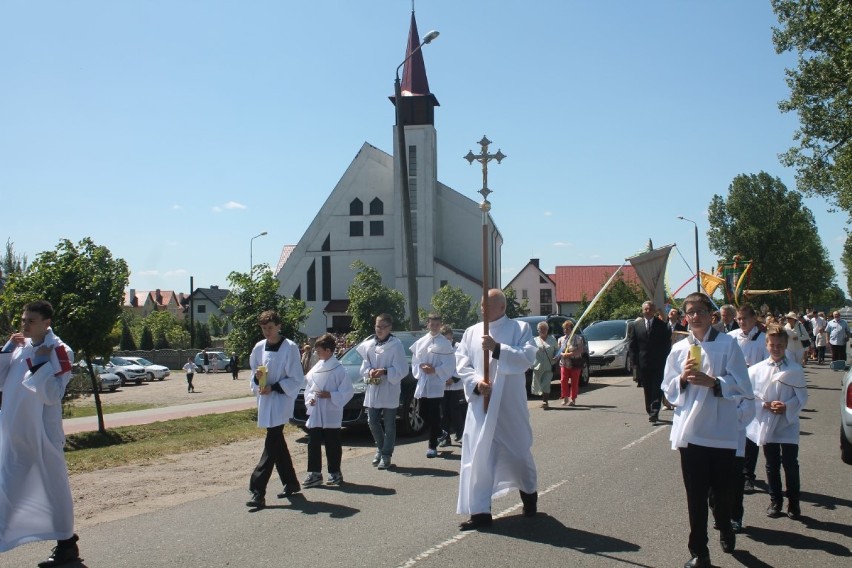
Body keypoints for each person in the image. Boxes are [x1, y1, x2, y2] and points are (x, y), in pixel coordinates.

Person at [661, 292, 753, 568]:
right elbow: (667, 390)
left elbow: (744, 386)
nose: (695, 316)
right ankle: (699, 551)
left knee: (721, 493)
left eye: (700, 310)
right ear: (685, 316)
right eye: (690, 311)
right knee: (696, 495)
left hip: (722, 431)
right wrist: (683, 379)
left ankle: (725, 525)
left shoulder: (728, 344)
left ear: (710, 314)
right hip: (691, 432)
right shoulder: (678, 349)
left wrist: (714, 382)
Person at [0, 300, 81, 567]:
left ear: (47, 323)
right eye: (23, 320)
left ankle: (67, 544)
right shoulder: (19, 348)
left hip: (41, 435)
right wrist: (7, 348)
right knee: (8, 487)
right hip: (13, 432)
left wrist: (41, 363)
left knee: (52, 489)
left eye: (30, 321)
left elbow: (52, 395)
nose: (24, 325)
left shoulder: (60, 351)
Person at [455, 289, 538, 531]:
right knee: (479, 455)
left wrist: (498, 348)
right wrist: (475, 384)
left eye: (487, 306)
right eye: (481, 305)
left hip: (509, 404)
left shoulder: (519, 329)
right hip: (481, 405)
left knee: (519, 453)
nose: (482, 309)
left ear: (501, 307)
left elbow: (527, 358)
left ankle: (529, 494)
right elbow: (462, 363)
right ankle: (480, 511)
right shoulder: (472, 332)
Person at [746, 324, 808, 520]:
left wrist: (787, 406)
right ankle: (775, 500)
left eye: (780, 345)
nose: (776, 348)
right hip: (767, 421)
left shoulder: (795, 370)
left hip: (787, 423)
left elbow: (802, 397)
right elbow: (751, 396)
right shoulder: (756, 370)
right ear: (767, 345)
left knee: (790, 463)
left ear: (786, 345)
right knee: (771, 464)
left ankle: (794, 501)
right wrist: (764, 405)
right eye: (772, 345)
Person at [246, 310, 305, 509]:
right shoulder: (259, 347)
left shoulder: (289, 347)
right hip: (265, 399)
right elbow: (254, 371)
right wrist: (257, 380)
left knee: (271, 444)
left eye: (270, 328)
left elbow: (296, 378)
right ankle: (291, 482)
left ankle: (258, 490)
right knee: (277, 443)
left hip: (280, 401)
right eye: (264, 329)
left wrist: (275, 387)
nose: (267, 332)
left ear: (279, 326)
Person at [302, 333, 354, 487]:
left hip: (331, 411)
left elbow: (347, 391)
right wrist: (310, 398)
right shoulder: (317, 367)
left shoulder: (338, 369)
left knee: (332, 442)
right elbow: (309, 388)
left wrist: (330, 395)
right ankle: (314, 473)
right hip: (317, 410)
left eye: (319, 351)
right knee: (313, 442)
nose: (317, 354)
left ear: (328, 350)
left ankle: (335, 472)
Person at [358, 313, 407, 470]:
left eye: (383, 327)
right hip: (374, 387)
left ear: (389, 328)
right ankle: (380, 448)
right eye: (377, 326)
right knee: (372, 421)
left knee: (389, 424)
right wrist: (370, 371)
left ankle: (386, 455)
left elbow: (402, 369)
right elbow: (364, 366)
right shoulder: (369, 345)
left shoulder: (396, 345)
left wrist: (385, 371)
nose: (379, 330)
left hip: (389, 388)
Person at [731, 304, 769, 500]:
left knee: (750, 436)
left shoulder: (763, 340)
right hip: (733, 393)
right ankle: (734, 471)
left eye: (745, 318)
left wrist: (751, 369)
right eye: (738, 318)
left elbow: (768, 367)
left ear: (754, 319)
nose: (741, 322)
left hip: (753, 394)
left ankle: (748, 475)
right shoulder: (731, 337)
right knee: (733, 434)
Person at [410, 314, 456, 458]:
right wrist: (421, 367)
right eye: (432, 324)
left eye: (437, 324)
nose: (435, 326)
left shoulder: (444, 343)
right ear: (427, 324)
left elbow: (450, 364)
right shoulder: (421, 342)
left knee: (434, 413)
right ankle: (440, 432)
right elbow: (415, 361)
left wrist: (435, 370)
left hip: (436, 382)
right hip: (424, 382)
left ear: (440, 325)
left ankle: (432, 446)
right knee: (423, 413)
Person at [629, 301, 672, 424]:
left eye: (650, 309)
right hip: (643, 362)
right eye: (646, 309)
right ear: (642, 311)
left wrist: (666, 359)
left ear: (654, 311)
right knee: (647, 388)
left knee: (657, 388)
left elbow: (666, 344)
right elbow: (633, 345)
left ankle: (654, 411)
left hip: (659, 362)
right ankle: (649, 409)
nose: (648, 311)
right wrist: (633, 362)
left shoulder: (661, 325)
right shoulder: (636, 326)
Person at [438, 325, 466, 446]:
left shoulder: (459, 347)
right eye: (445, 340)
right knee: (444, 411)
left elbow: (462, 364)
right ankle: (446, 437)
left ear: (451, 336)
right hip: (443, 384)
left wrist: (454, 378)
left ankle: (460, 432)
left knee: (454, 409)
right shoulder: (439, 349)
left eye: (449, 339)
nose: (447, 342)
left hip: (455, 383)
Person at [555, 320, 584, 406]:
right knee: (563, 380)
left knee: (574, 381)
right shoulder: (561, 339)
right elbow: (558, 351)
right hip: (564, 363)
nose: (565, 330)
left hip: (575, 363)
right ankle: (565, 398)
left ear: (572, 329)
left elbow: (580, 350)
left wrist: (570, 354)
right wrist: (562, 354)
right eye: (564, 328)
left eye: (567, 328)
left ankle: (573, 399)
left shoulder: (578, 338)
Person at [531, 321, 557, 409]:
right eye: (540, 329)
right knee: (538, 384)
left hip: (549, 365)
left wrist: (556, 357)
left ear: (547, 329)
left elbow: (557, 350)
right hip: (537, 365)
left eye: (544, 329)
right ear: (538, 330)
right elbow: (529, 352)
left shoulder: (552, 339)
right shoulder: (534, 340)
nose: (542, 331)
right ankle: (543, 397)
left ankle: (545, 401)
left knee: (546, 383)